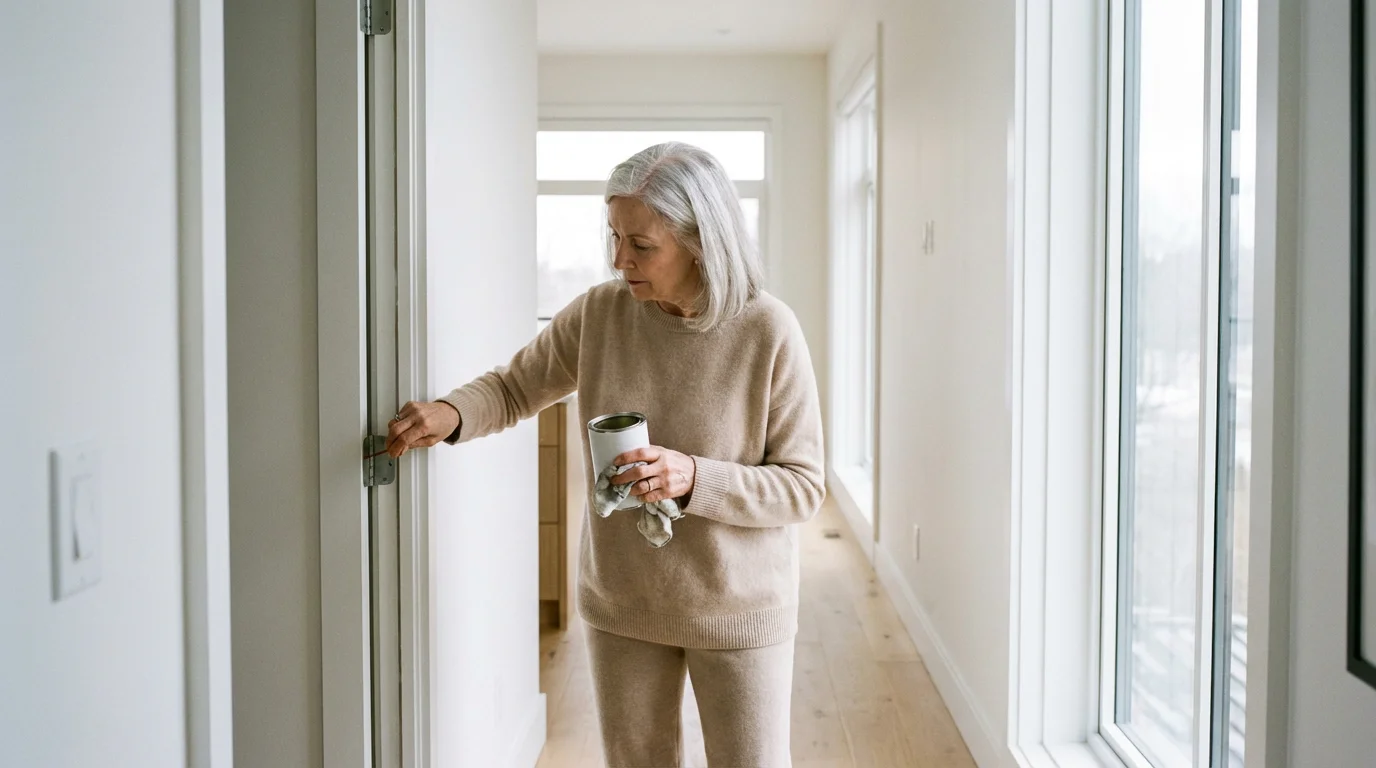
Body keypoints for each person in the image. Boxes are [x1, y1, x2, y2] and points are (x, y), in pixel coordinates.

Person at [384, 141, 825, 767]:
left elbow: (802, 486)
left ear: (702, 239)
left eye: (642, 245)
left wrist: (692, 476)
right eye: (614, 237)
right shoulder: (601, 313)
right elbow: (514, 386)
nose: (621, 260)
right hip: (624, 601)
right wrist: (451, 413)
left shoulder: (766, 329)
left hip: (737, 608)